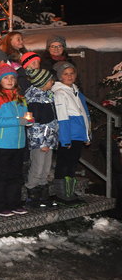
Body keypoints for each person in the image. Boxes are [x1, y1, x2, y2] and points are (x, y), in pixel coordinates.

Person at [0, 64, 30, 217]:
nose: (10, 80)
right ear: (0, 80)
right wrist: (17, 120)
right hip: (3, 144)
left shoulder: (20, 96)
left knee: (16, 176)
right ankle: (0, 206)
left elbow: (25, 116)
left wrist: (28, 120)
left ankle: (14, 203)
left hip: (19, 143)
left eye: (12, 77)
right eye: (6, 77)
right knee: (2, 177)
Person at [51, 61, 90, 205]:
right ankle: (62, 195)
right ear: (60, 77)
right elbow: (62, 118)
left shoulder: (76, 91)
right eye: (65, 74)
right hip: (68, 136)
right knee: (64, 165)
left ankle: (70, 193)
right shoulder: (60, 93)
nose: (69, 76)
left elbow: (85, 114)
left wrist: (87, 134)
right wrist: (65, 139)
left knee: (72, 165)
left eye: (72, 73)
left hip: (78, 135)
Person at [24, 68, 58, 208]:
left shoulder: (48, 95)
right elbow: (34, 124)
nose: (53, 82)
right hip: (39, 141)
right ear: (42, 82)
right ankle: (32, 194)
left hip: (49, 139)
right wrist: (42, 142)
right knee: (37, 168)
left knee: (46, 168)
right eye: (50, 80)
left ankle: (43, 195)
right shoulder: (34, 99)